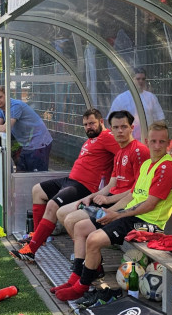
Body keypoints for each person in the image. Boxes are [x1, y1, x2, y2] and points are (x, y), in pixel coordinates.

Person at [56, 121, 172, 301]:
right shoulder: (147, 165)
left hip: (149, 224)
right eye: (153, 141)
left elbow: (150, 205)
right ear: (147, 141)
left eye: (162, 142)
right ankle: (76, 278)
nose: (157, 146)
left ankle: (81, 287)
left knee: (93, 239)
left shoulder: (168, 167)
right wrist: (110, 211)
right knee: (81, 228)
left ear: (168, 143)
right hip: (131, 215)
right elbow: (132, 195)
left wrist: (118, 214)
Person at [49, 110, 149, 293]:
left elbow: (136, 190)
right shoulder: (119, 152)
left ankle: (84, 276)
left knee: (74, 223)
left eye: (124, 127)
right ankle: (81, 274)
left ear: (132, 128)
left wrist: (109, 200)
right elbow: (112, 183)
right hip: (111, 202)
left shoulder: (139, 151)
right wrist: (91, 196)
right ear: (110, 129)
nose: (120, 131)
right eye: (116, 127)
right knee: (69, 218)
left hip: (124, 208)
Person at [10, 108, 121, 263]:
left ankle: (31, 250)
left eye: (92, 123)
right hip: (71, 180)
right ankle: (37, 236)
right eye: (85, 124)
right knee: (37, 190)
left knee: (52, 205)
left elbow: (122, 154)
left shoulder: (108, 137)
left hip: (84, 186)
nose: (88, 127)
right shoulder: (92, 138)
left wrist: (112, 182)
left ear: (101, 122)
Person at [0, 86, 53, 171]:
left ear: (6, 95)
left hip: (40, 143)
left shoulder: (15, 105)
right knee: (22, 173)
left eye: (0, 97)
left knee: (37, 175)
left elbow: (5, 128)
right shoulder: (1, 108)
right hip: (27, 145)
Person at [109, 68, 165, 143]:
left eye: (143, 79)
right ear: (132, 80)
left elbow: (159, 119)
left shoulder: (151, 97)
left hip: (148, 140)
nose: (141, 81)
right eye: (138, 79)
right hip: (127, 141)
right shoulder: (121, 99)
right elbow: (111, 121)